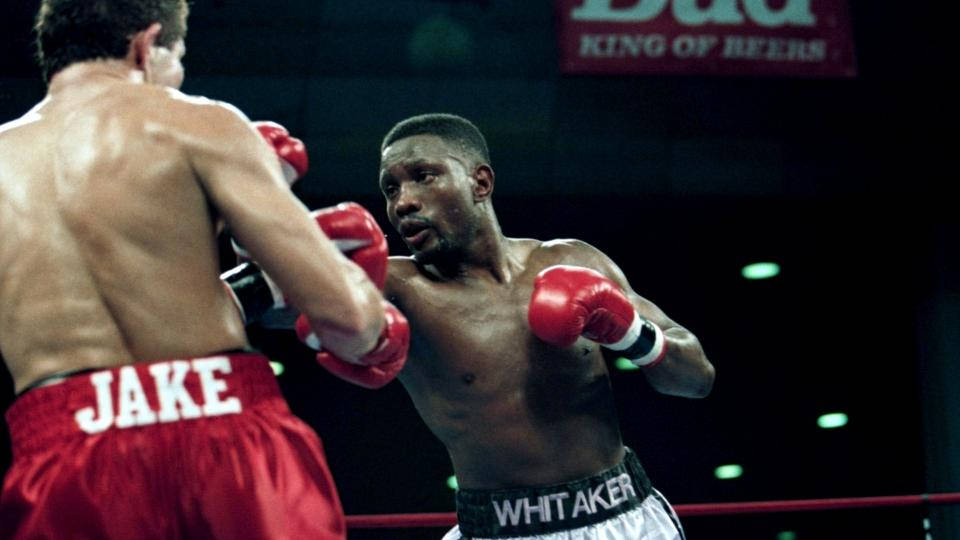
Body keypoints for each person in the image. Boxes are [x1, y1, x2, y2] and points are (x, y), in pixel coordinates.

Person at [0, 1, 407, 538]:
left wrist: (246, 295)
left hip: (61, 447)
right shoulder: (196, 122)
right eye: (180, 58)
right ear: (146, 46)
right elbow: (349, 319)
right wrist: (375, 326)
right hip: (225, 434)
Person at [370, 113, 716, 539]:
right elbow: (287, 300)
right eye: (391, 188)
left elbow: (696, 379)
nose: (403, 201)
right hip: (499, 529)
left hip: (625, 520)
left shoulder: (573, 260)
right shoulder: (395, 286)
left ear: (480, 183)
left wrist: (632, 334)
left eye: (423, 176)